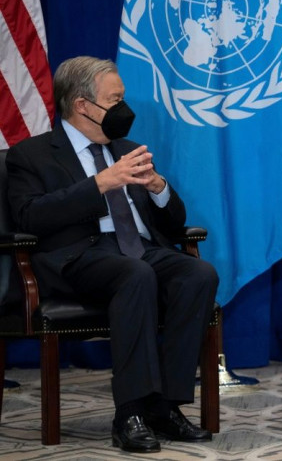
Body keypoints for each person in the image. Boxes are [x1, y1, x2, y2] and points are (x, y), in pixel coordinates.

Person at [6, 56, 219, 454]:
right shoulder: (31, 155)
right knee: (134, 274)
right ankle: (130, 412)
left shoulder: (127, 150)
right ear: (82, 105)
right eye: (115, 99)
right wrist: (99, 184)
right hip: (77, 257)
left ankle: (164, 406)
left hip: (139, 248)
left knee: (198, 274)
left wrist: (158, 188)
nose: (124, 108)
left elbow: (174, 226)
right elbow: (30, 215)